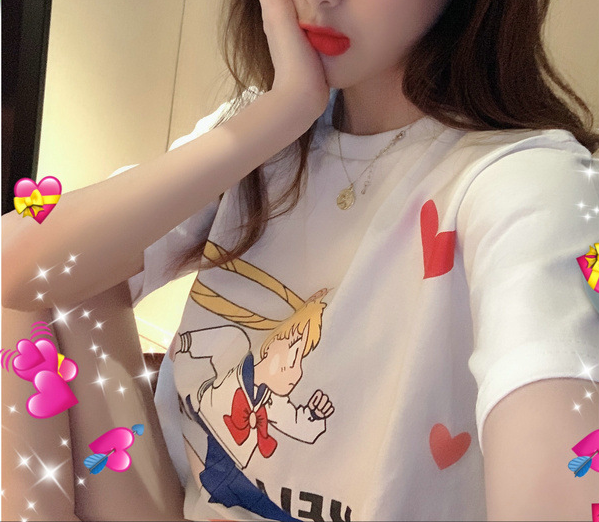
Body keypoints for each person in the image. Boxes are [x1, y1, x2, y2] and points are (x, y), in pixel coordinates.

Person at [2, 0, 599, 520]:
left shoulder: (527, 183)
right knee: (62, 276)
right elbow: (13, 268)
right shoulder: (268, 129)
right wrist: (283, 109)